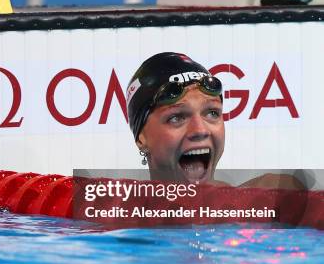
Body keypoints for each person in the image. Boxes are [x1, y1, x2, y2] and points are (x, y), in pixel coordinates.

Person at [126, 52, 304, 188]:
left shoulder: (262, 204)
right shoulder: (119, 215)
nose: (200, 130)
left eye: (212, 113)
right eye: (177, 117)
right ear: (141, 138)